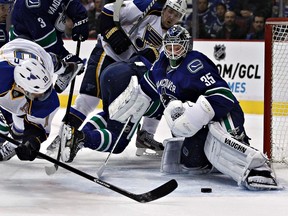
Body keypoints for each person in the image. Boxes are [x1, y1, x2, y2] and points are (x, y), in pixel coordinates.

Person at [61, 25, 280, 190]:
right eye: (170, 46)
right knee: (192, 163)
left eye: (178, 46)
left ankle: (257, 165)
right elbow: (145, 89)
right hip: (195, 124)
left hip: (222, 115)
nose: (173, 51)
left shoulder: (196, 64)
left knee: (223, 138)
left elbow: (223, 96)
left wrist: (197, 115)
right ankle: (215, 159)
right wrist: (127, 107)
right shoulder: (160, 65)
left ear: (187, 46)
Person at [46, 0, 187, 157]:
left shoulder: (172, 38)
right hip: (108, 53)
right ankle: (61, 139)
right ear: (164, 8)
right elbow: (108, 10)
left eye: (176, 15)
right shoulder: (147, 8)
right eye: (170, 11)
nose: (171, 17)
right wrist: (113, 34)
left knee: (115, 111)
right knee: (87, 101)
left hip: (127, 68)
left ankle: (76, 140)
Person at [0, 38, 83, 161]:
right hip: (10, 50)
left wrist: (31, 143)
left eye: (44, 91)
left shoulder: (48, 97)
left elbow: (37, 128)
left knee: (48, 62)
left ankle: (66, 69)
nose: (43, 96)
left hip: (38, 56)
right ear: (21, 87)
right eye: (37, 93)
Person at [10, 0, 89, 93]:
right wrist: (66, 58)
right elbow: (46, 41)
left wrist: (79, 14)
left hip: (46, 31)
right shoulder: (28, 5)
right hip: (27, 50)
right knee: (35, 90)